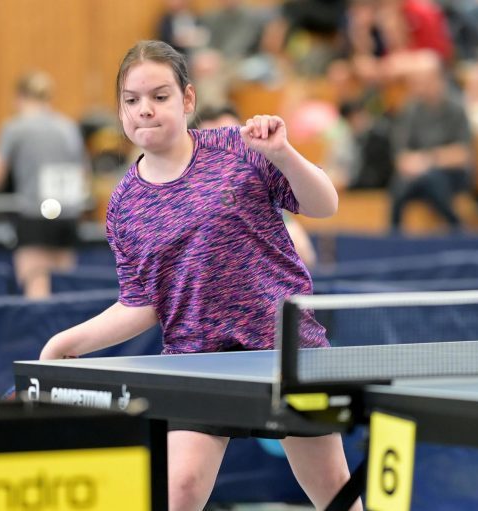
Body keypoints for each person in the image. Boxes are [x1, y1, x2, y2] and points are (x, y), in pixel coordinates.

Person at [39, 41, 359, 511]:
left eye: (160, 96)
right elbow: (142, 304)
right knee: (181, 489)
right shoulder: (123, 204)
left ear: (187, 99)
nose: (145, 110)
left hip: (284, 350)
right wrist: (68, 342)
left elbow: (324, 205)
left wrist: (284, 153)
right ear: (121, 110)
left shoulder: (238, 149)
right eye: (132, 100)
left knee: (334, 491)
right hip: (196, 361)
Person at [0, 71, 90, 299]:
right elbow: (84, 174)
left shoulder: (15, 127)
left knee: (37, 292)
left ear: (19, 98)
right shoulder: (69, 127)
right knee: (64, 291)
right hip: (68, 219)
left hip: (34, 217)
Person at [195, 103, 319, 268]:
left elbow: (306, 254)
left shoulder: (259, 190)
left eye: (231, 138)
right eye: (213, 145)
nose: (223, 152)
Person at [389, 50, 473, 231]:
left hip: (450, 174)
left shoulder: (456, 108)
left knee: (433, 180)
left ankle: (457, 229)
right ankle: (394, 235)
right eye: (415, 81)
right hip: (416, 174)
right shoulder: (410, 109)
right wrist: (410, 163)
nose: (418, 87)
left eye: (423, 81)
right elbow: (401, 153)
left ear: (438, 79)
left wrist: (428, 160)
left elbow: (462, 154)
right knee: (400, 185)